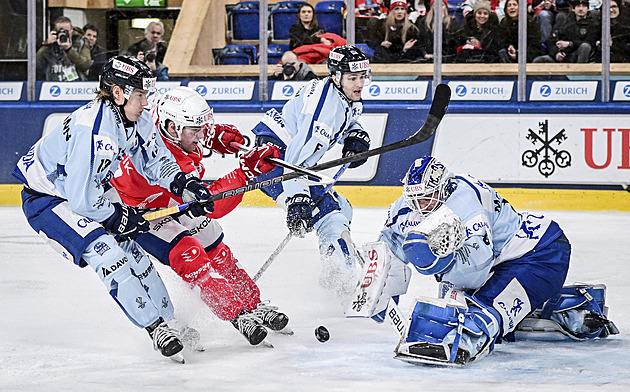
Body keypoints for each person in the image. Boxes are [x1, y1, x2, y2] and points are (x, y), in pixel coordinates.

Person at [12, 56, 220, 362]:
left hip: (89, 189)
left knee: (133, 252)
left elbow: (155, 161)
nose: (146, 102)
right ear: (118, 93)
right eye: (140, 95)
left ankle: (169, 320)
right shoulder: (95, 132)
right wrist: (117, 216)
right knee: (110, 256)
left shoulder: (135, 117)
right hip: (50, 200)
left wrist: (182, 184)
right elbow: (82, 199)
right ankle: (155, 328)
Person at [349, 156, 618, 365]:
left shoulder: (464, 204)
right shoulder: (405, 206)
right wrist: (380, 283)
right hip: (503, 262)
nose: (421, 205)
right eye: (415, 198)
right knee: (465, 302)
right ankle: (570, 307)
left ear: (444, 188)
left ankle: (466, 340)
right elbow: (391, 245)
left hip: (540, 255)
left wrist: (434, 263)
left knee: (481, 311)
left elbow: (475, 272)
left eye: (428, 197)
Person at [110, 86, 289, 346]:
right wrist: (244, 175)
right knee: (191, 256)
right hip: (141, 211)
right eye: (195, 132)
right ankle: (236, 315)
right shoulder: (168, 160)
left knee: (218, 251)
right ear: (172, 128)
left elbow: (177, 118)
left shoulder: (163, 119)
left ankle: (253, 303)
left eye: (201, 129)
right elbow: (210, 204)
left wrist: (213, 135)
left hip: (172, 198)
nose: (200, 137)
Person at [250, 45, 372, 297]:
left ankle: (332, 274)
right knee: (330, 215)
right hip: (275, 161)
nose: (359, 83)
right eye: (352, 78)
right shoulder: (325, 111)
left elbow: (346, 119)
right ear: (336, 77)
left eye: (362, 77)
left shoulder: (341, 93)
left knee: (343, 207)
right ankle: (340, 283)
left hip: (281, 154)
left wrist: (355, 135)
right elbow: (297, 159)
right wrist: (298, 199)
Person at [533, 0, 600, 63]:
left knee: (585, 46)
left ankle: (579, 73)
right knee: (538, 60)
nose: (581, 9)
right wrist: (556, 54)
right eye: (578, 6)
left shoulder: (593, 23)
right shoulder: (564, 21)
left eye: (584, 6)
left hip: (577, 56)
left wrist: (569, 44)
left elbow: (590, 42)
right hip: (563, 56)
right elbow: (551, 40)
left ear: (588, 9)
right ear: (573, 9)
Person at [36, 16, 91, 81]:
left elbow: (85, 65)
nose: (64, 34)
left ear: (72, 30)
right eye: (61, 31)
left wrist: (69, 49)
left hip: (75, 86)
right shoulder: (50, 46)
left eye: (66, 31)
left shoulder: (80, 42)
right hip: (53, 85)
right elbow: (36, 66)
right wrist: (47, 44)